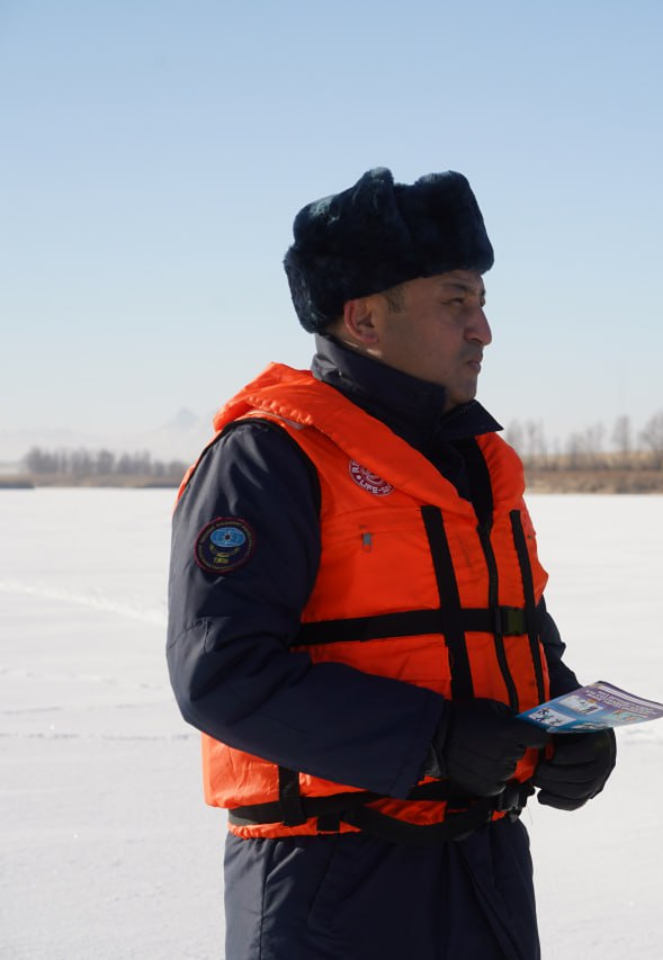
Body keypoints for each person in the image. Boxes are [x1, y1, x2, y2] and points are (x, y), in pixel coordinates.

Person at [167, 167, 617, 960]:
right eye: (457, 302)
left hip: (485, 864)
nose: (483, 331)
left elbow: (511, 632)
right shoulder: (269, 458)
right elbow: (221, 675)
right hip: (331, 879)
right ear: (366, 318)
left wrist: (564, 726)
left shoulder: (479, 463)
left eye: (482, 304)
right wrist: (432, 741)